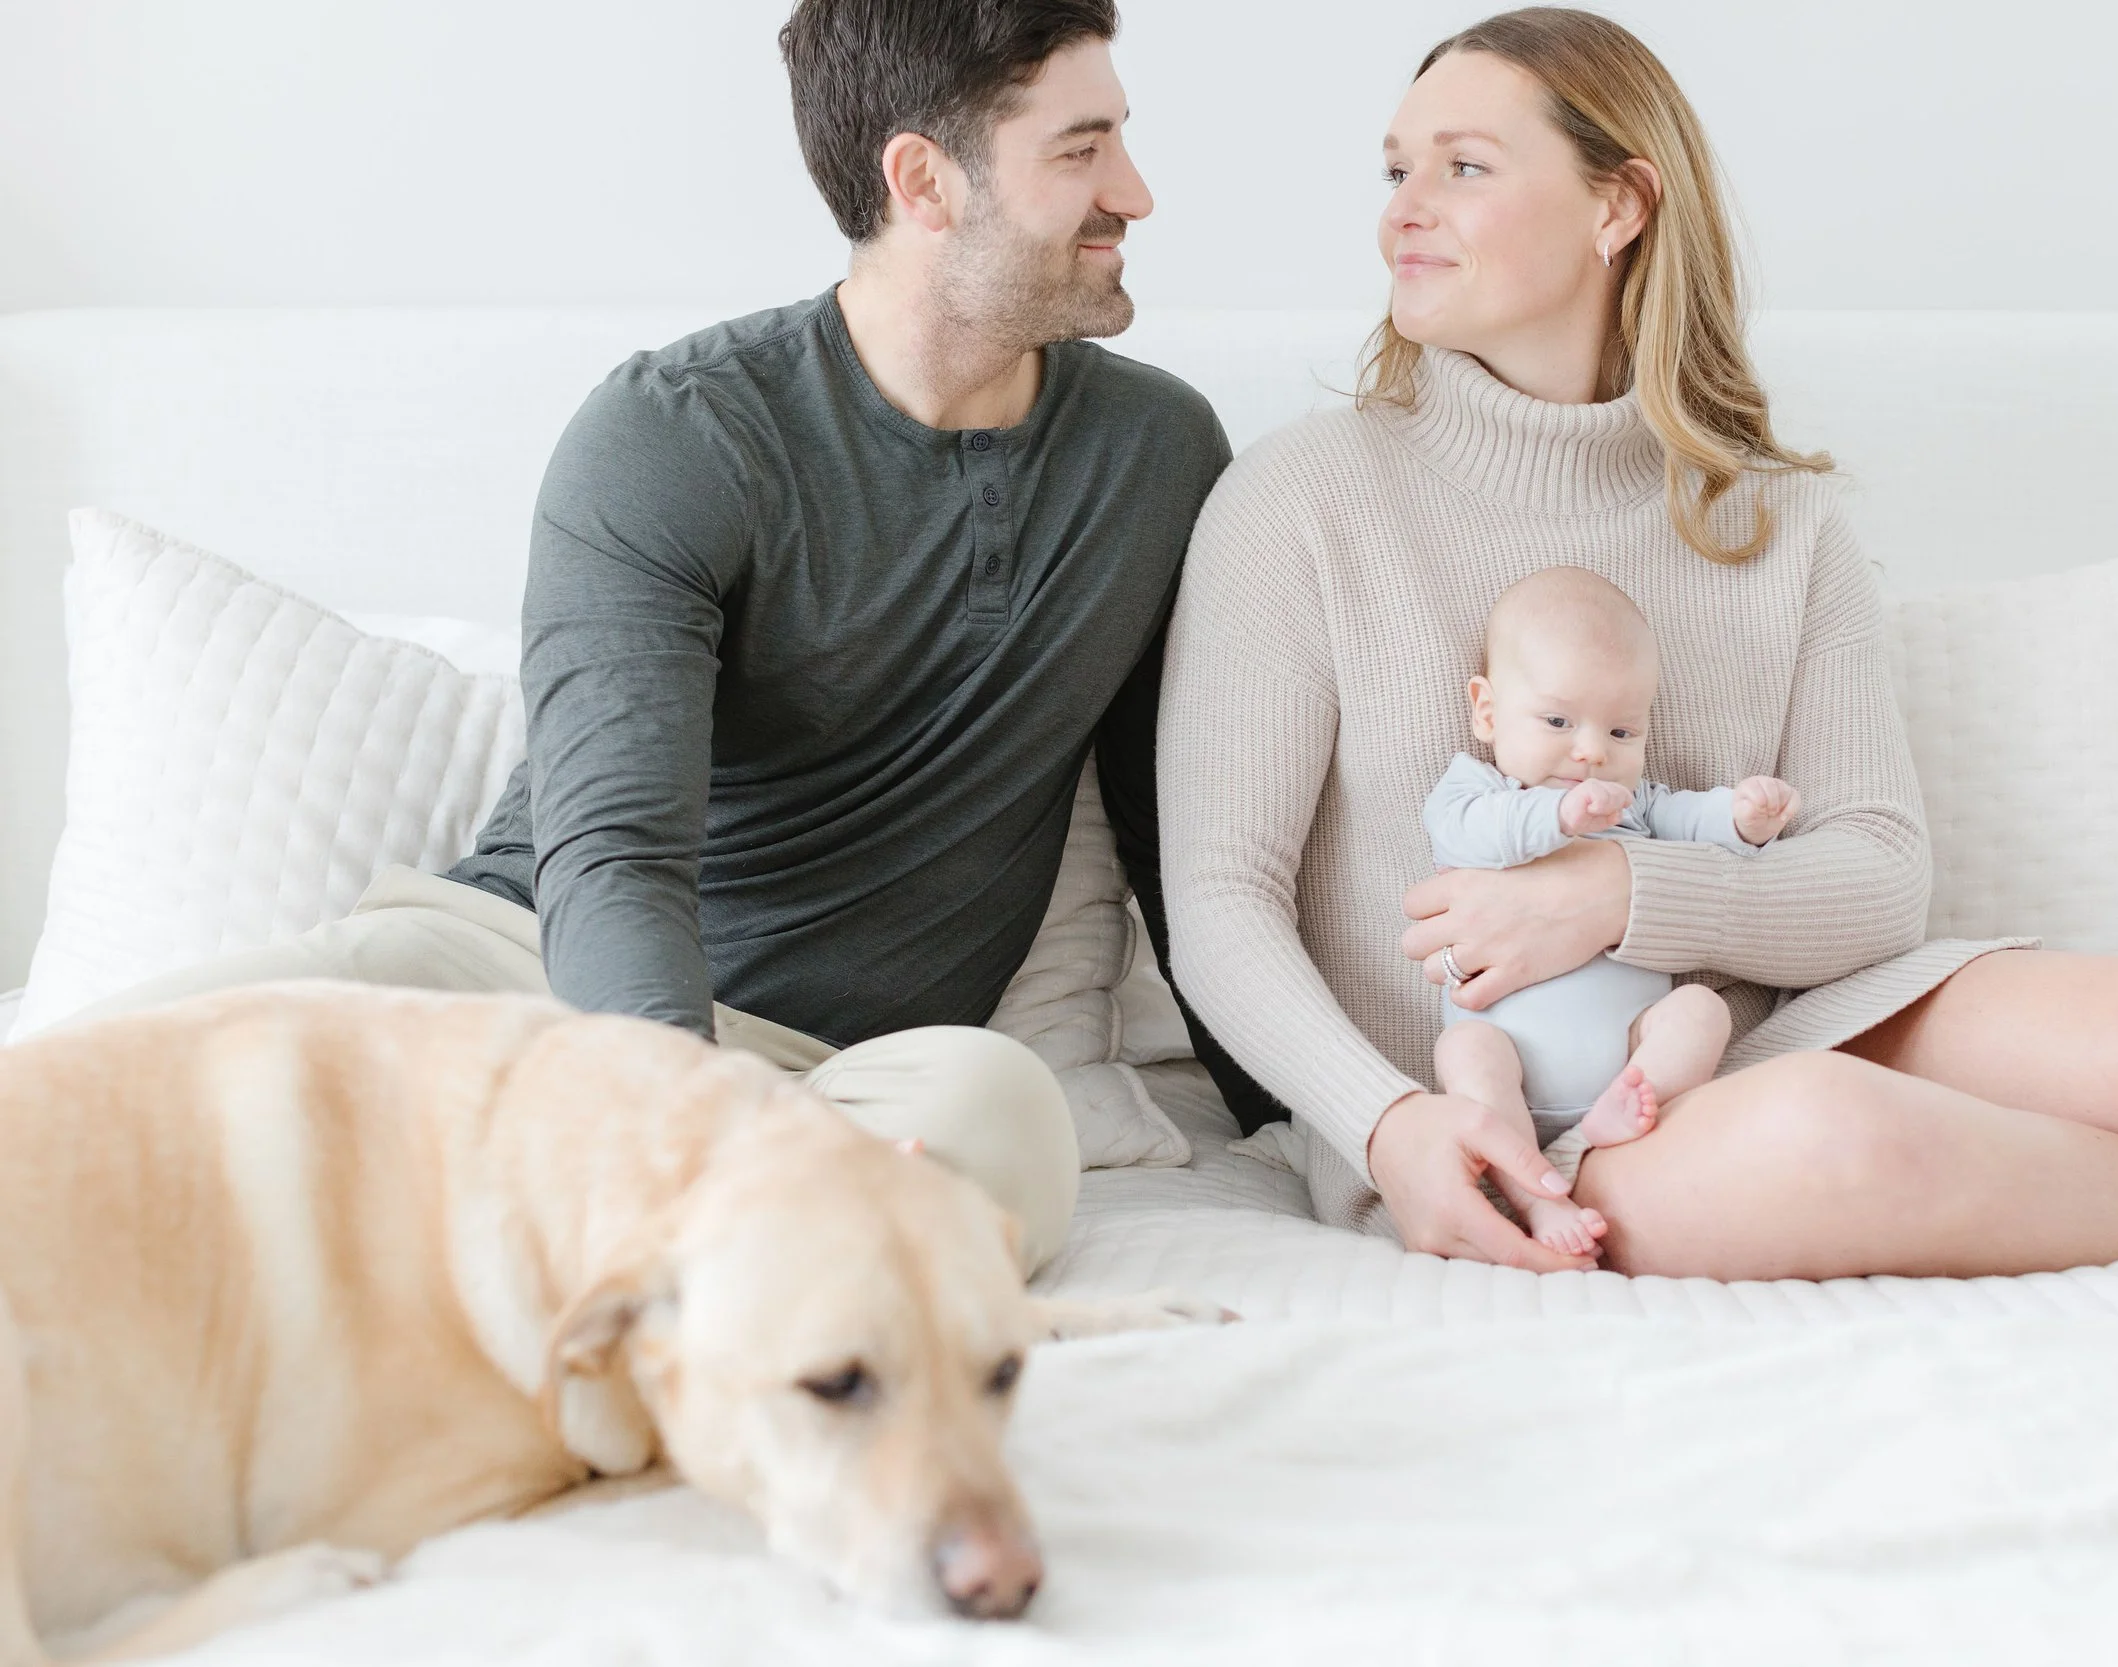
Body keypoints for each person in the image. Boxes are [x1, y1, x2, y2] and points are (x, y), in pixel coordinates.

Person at [1158, 5, 2118, 1278]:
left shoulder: (1774, 518)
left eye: (1461, 166)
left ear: (1616, 206)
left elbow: (1877, 874)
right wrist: (1387, 1125)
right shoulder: (1298, 501)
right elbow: (1223, 898)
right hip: (1509, 1118)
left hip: (1788, 1015)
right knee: (1837, 1141)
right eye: (1396, 167)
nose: (1402, 208)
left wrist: (1621, 895)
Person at [69, 0, 1281, 1273]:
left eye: (1120, 140)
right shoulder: (678, 435)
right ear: (924, 181)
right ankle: (666, 1247)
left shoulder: (1155, 457)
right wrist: (691, 1142)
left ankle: (570, 1251)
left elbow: (1183, 841)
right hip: (519, 977)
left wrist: (1326, 1130)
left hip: (838, 1073)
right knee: (91, 1093)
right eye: (1080, 150)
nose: (1134, 193)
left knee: (996, 1115)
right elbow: (614, 855)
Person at [1424, 566, 1796, 1257]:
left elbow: (1690, 821)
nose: (1592, 750)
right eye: (1559, 720)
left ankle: (1623, 1109)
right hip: (1511, 1065)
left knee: (1700, 1013)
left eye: (1622, 730)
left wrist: (1743, 818)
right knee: (1464, 1051)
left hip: (1624, 1058)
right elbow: (1470, 833)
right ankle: (1535, 1195)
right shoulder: (1473, 791)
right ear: (1487, 711)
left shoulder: (1634, 802)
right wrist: (1557, 814)